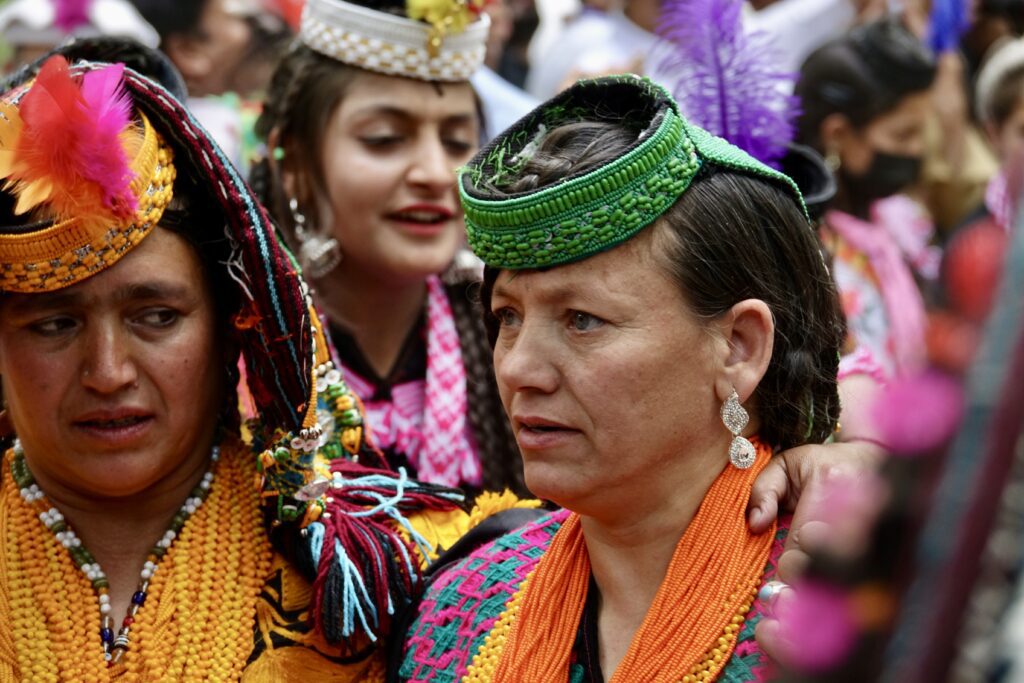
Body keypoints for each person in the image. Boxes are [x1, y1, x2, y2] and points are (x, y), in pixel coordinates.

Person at [0, 44, 474, 680]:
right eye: (55, 325)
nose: (109, 373)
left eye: (157, 317)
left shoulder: (391, 576)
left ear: (232, 326)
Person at [396, 74, 846, 681]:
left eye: (582, 320)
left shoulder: (843, 604)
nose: (520, 368)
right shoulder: (461, 610)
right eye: (508, 317)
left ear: (738, 348)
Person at [250, 0, 526, 493]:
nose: (435, 173)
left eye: (456, 142)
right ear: (293, 163)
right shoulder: (240, 353)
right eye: (384, 139)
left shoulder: (513, 341)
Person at [795, 19, 939, 379]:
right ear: (838, 134)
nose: (918, 150)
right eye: (903, 134)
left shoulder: (901, 219)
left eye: (921, 132)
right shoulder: (803, 250)